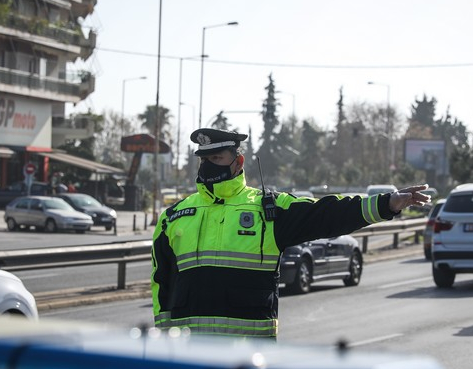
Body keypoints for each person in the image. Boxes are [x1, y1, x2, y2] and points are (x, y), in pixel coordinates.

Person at [151, 128, 430, 339]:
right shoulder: (175, 216)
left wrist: (386, 203)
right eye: (204, 160)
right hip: (191, 355)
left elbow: (326, 213)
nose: (208, 165)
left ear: (238, 162)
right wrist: (164, 340)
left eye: (216, 157)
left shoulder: (268, 208)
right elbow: (160, 281)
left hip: (248, 357)